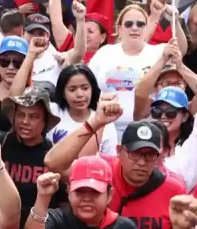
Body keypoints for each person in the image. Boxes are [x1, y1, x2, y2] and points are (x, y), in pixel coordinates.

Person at [44, 96, 188, 229]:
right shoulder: (100, 171)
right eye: (135, 153)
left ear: (159, 156)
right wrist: (95, 122)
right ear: (119, 151)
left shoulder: (174, 189)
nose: (142, 162)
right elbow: (53, 162)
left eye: (150, 155)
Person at [0, 87, 61, 227]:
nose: (25, 121)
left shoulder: (53, 154)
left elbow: (62, 203)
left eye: (33, 116)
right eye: (21, 115)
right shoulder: (0, 141)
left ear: (45, 121)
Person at [89, 5, 166, 138]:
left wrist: (175, 20)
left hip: (146, 130)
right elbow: (88, 87)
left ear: (147, 27)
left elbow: (181, 49)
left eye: (140, 24)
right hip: (106, 130)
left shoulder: (159, 52)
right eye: (129, 24)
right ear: (119, 29)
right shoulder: (105, 52)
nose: (134, 28)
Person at [29, 157, 138, 229]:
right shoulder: (56, 220)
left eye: (95, 192)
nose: (86, 199)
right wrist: (43, 198)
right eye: (80, 191)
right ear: (69, 192)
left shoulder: (124, 226)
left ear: (109, 195)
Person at [49, 64, 118, 155]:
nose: (80, 94)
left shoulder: (105, 121)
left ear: (92, 89)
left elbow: (110, 159)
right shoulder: (52, 112)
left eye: (85, 88)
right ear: (63, 93)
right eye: (72, 89)